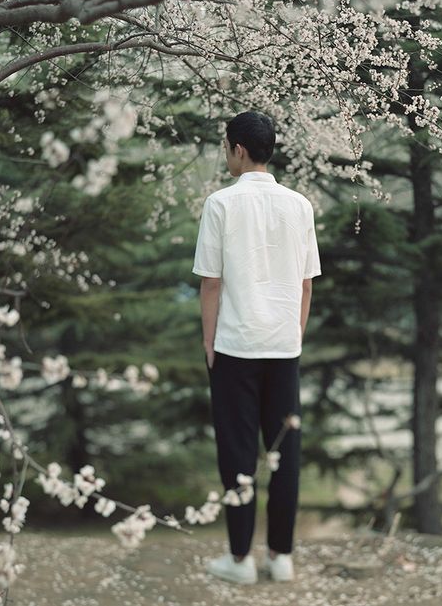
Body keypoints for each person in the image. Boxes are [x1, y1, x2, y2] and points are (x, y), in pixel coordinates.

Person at [192, 111, 322, 584]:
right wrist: (296, 333)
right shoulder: (300, 205)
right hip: (284, 345)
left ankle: (240, 558)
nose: (226, 154)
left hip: (235, 346)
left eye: (227, 146)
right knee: (285, 451)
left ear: (239, 149)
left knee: (238, 453)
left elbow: (211, 284)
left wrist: (208, 341)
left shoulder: (220, 204)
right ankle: (281, 557)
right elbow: (306, 285)